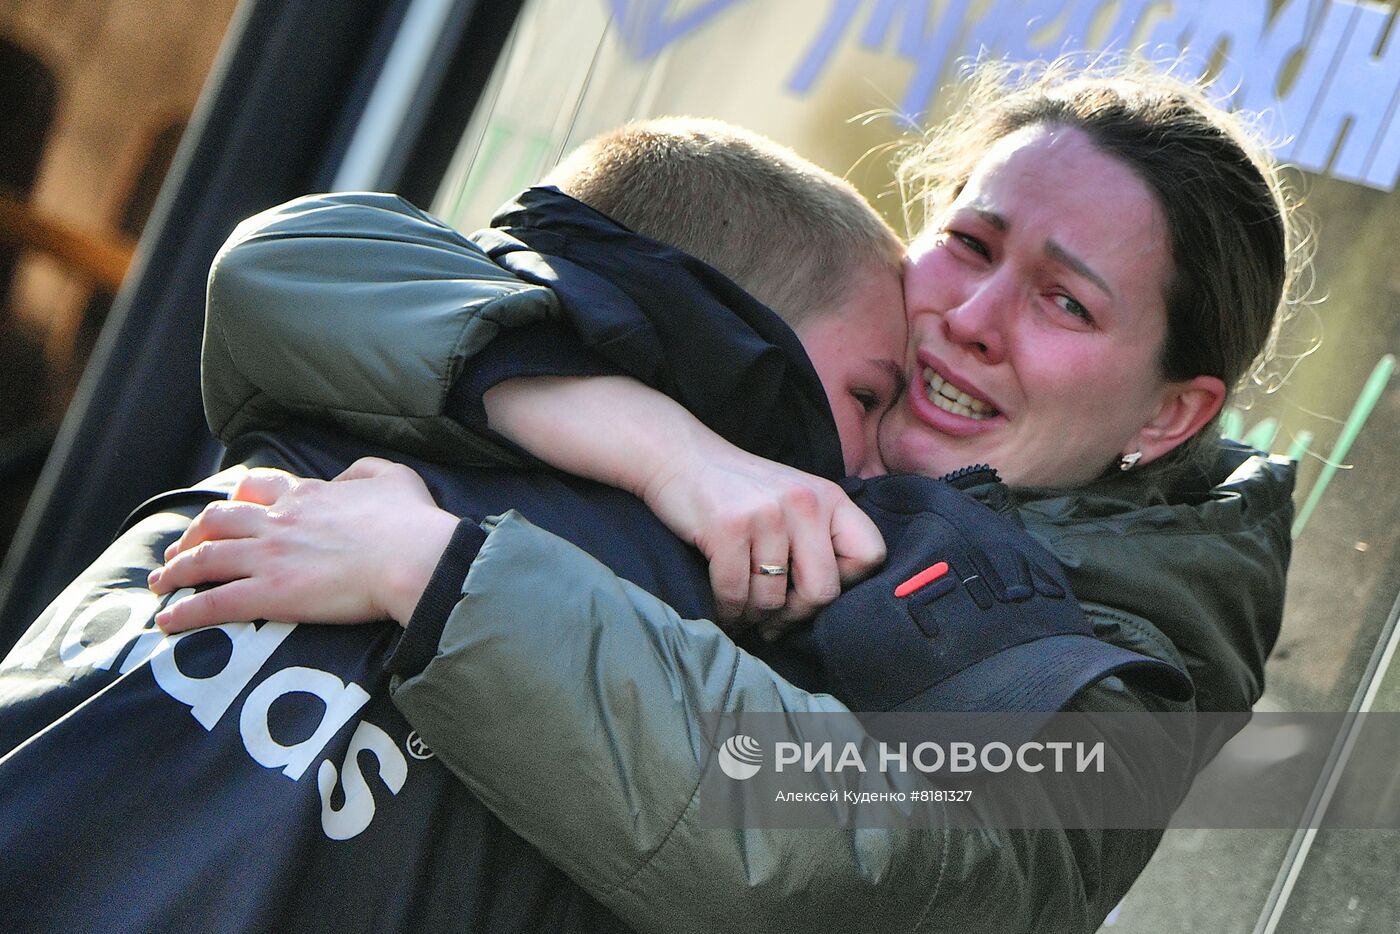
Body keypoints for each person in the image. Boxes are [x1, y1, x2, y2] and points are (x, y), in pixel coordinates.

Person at [154, 62, 1296, 931]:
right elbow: (291, 266)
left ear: (1166, 416)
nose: (973, 317)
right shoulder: (787, 391)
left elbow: (840, 845)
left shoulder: (1128, 680)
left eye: (1065, 304)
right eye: (970, 241)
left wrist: (440, 573)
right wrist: (665, 450)